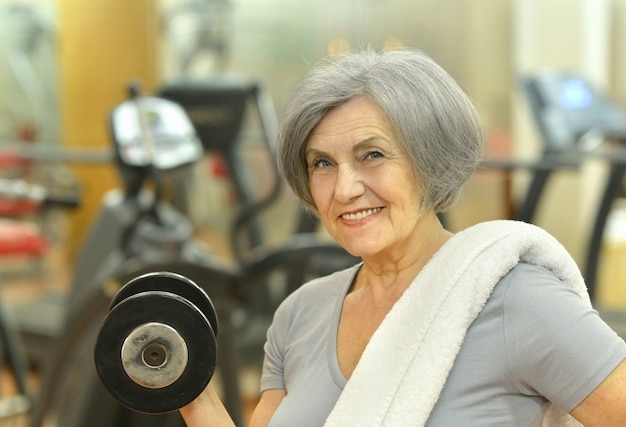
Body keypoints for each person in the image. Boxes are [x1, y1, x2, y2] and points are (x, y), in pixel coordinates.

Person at [181, 48, 626, 426]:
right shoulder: (300, 314)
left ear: (432, 162)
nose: (344, 188)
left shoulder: (519, 300)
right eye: (322, 164)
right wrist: (182, 381)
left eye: (372, 155)